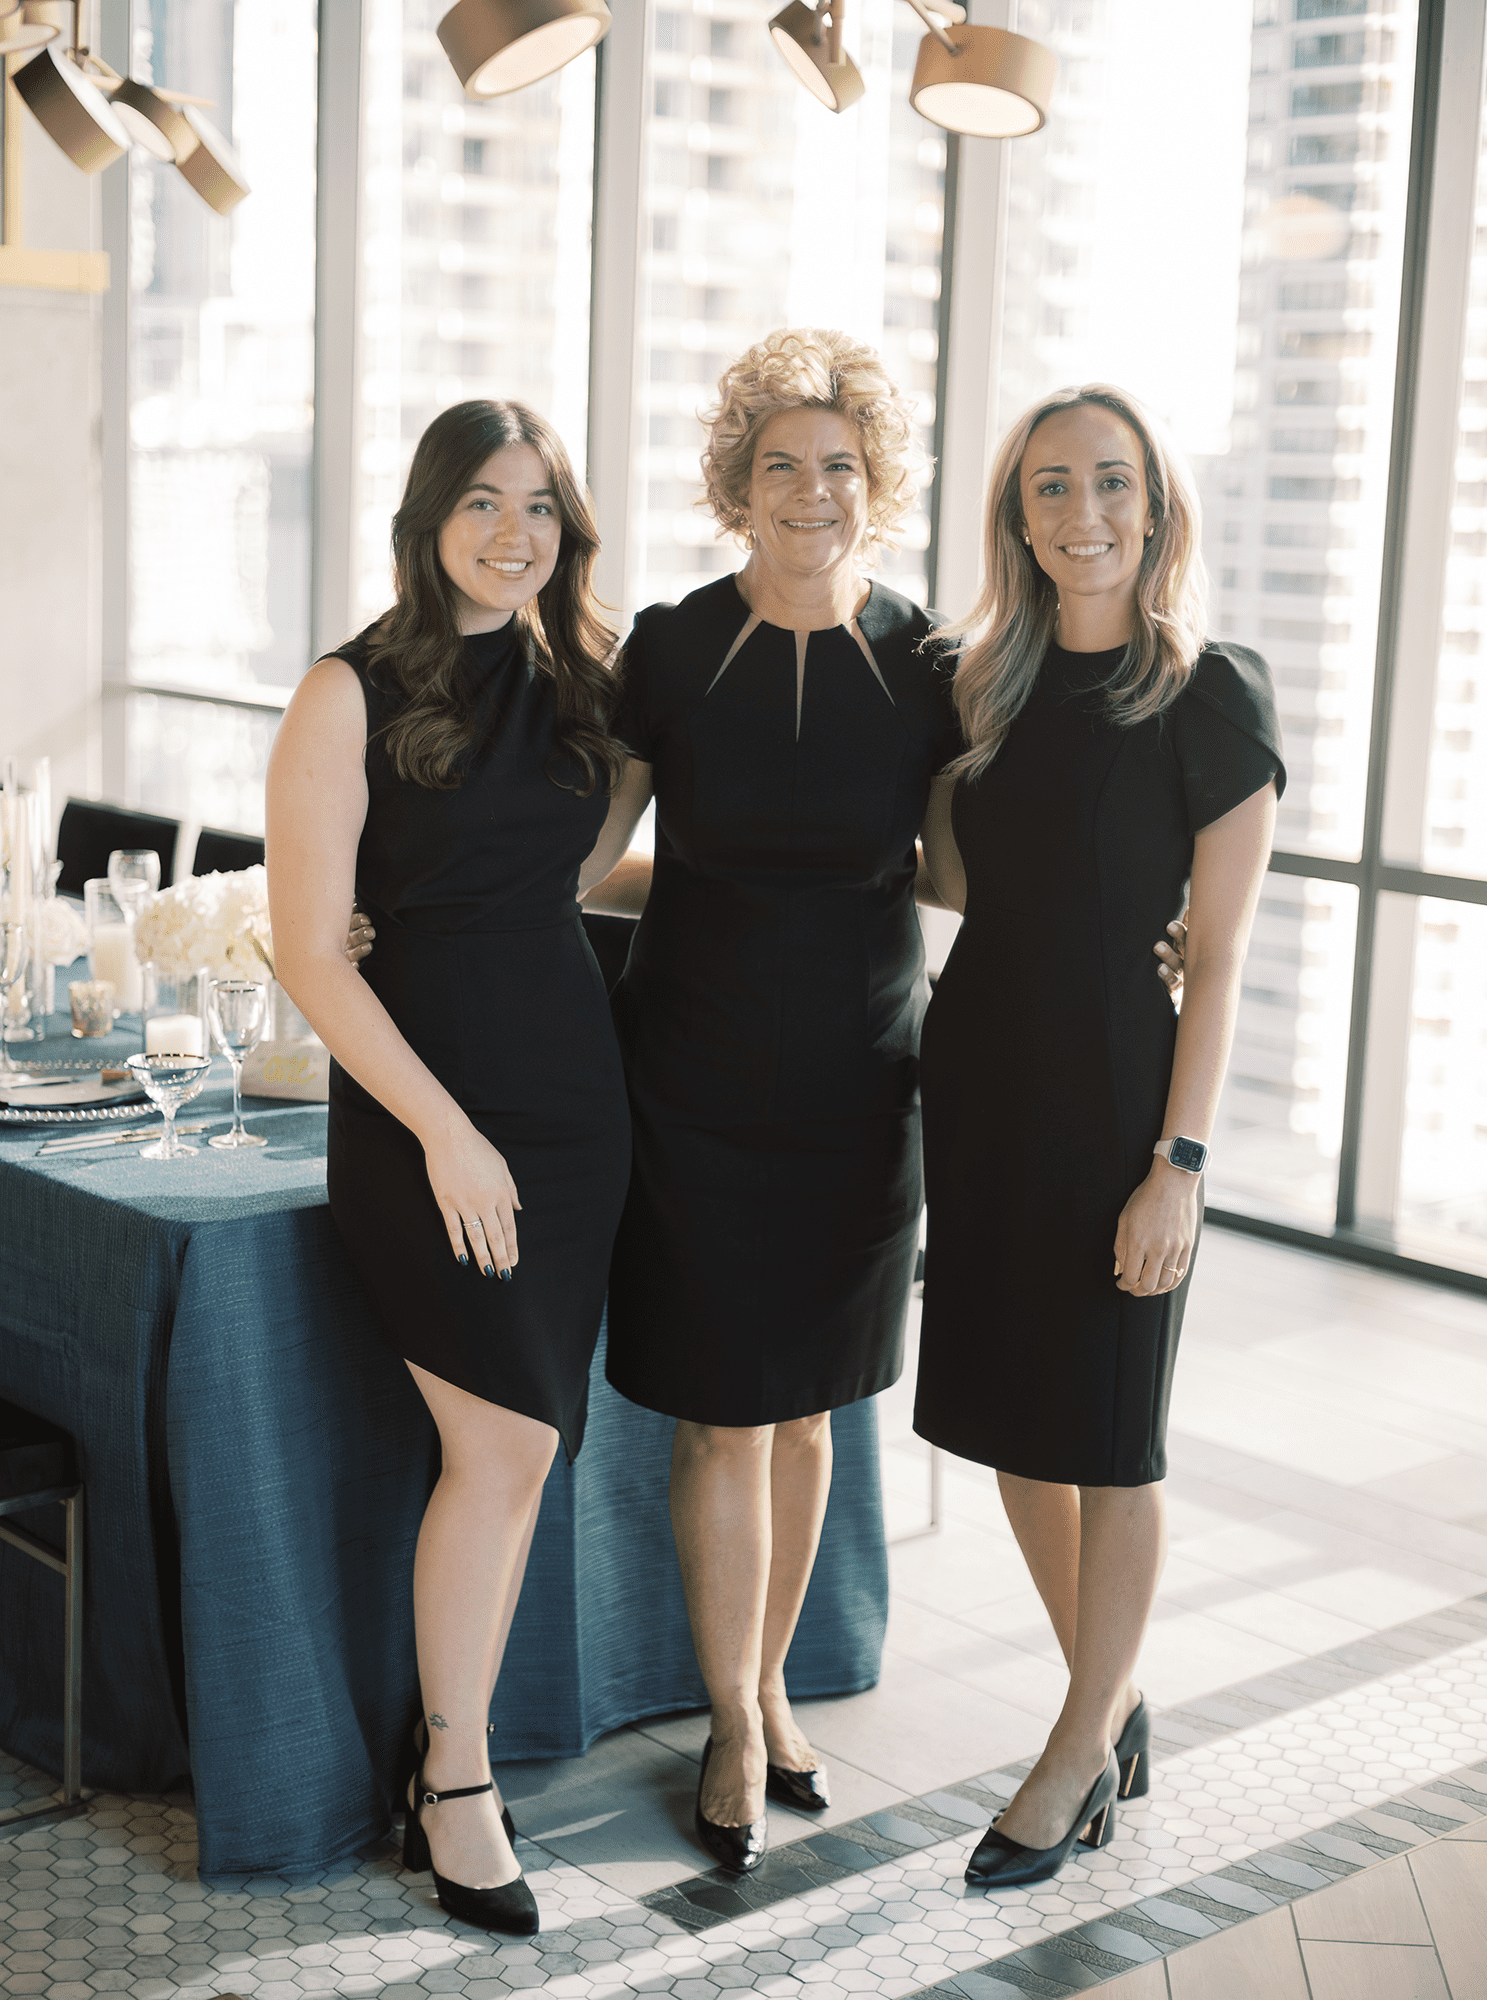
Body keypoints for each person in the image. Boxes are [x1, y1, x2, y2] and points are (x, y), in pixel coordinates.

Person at [578, 333, 1188, 1873]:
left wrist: (1151, 919)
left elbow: (964, 872)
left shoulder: (933, 667)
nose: (810, 489)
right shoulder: (666, 648)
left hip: (867, 1082)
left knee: (813, 1413)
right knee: (724, 1415)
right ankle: (732, 1716)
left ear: (878, 486)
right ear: (736, 482)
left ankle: (780, 1689)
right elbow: (587, 860)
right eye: (778, 463)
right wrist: (398, 910)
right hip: (694, 1078)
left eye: (838, 464)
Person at [265, 400, 633, 1934]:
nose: (511, 534)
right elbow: (308, 953)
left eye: (538, 506)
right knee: (505, 1451)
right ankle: (457, 1780)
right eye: (481, 503)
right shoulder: (343, 693)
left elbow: (585, 868)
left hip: (572, 1110)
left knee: (527, 1445)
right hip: (433, 1124)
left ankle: (452, 1750)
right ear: (427, 518)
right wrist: (447, 1131)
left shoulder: (580, 690)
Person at [915, 384, 1283, 1890]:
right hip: (986, 1096)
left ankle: (1072, 1753)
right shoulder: (980, 686)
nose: (1085, 513)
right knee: (1017, 1428)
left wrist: (1177, 1166)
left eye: (1112, 482)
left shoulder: (1211, 693)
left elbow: (1223, 954)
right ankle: (1111, 1694)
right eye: (1053, 485)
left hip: (1124, 1113)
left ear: (1156, 503)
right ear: (1018, 514)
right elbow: (953, 882)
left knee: (1114, 1444)